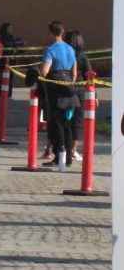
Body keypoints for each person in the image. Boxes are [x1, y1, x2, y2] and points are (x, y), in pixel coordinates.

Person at [40, 21, 78, 167]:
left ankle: (58, 157)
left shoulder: (50, 50)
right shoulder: (70, 49)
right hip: (69, 89)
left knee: (56, 126)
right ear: (61, 32)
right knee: (67, 125)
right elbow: (74, 73)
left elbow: (44, 71)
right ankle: (68, 158)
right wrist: (69, 84)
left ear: (51, 33)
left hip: (55, 91)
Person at [64, 29, 92, 161]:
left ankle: (56, 148)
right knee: (77, 120)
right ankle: (73, 149)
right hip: (79, 89)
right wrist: (94, 95)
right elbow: (89, 75)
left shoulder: (63, 53)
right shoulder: (81, 56)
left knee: (63, 118)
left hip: (63, 88)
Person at [0, 22, 24, 98]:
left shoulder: (11, 37)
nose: (11, 29)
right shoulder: (2, 38)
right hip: (5, 60)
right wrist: (12, 51)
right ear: (5, 29)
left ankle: (9, 94)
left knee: (10, 78)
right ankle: (2, 94)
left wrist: (17, 49)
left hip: (12, 60)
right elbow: (5, 48)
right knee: (4, 77)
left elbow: (14, 45)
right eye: (9, 28)